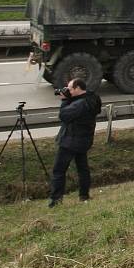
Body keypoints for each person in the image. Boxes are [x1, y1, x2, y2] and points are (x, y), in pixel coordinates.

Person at [49, 78, 102, 207]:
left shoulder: (80, 104)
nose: (68, 91)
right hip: (84, 140)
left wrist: (65, 100)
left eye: (70, 89)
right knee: (83, 169)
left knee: (59, 170)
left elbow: (64, 116)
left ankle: (56, 200)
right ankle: (84, 195)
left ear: (78, 88)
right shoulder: (92, 98)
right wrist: (70, 98)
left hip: (70, 141)